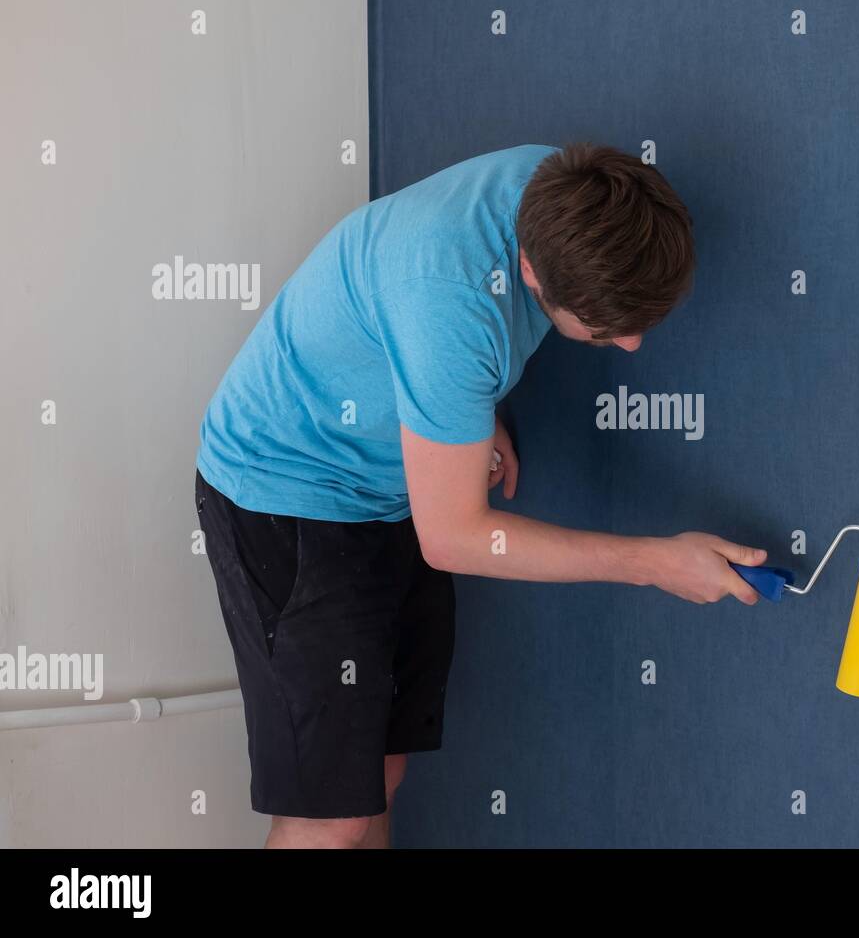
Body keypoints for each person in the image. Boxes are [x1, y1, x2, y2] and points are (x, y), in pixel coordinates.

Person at [193, 142, 768, 848]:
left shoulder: (571, 189)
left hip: (390, 484)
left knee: (379, 773)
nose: (631, 344)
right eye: (605, 328)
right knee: (332, 816)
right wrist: (655, 563)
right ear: (530, 269)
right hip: (286, 493)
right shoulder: (450, 304)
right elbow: (454, 538)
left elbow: (421, 324)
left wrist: (462, 414)